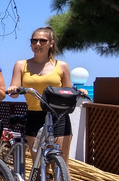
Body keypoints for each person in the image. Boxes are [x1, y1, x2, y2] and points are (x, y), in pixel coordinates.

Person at [6, 26, 78, 155]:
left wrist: (78, 91)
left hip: (58, 116)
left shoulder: (61, 66)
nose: (37, 44)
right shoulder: (21, 65)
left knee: (60, 167)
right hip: (34, 115)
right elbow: (15, 94)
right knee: (38, 166)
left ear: (51, 43)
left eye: (42, 41)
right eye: (34, 41)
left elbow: (68, 92)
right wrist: (13, 89)